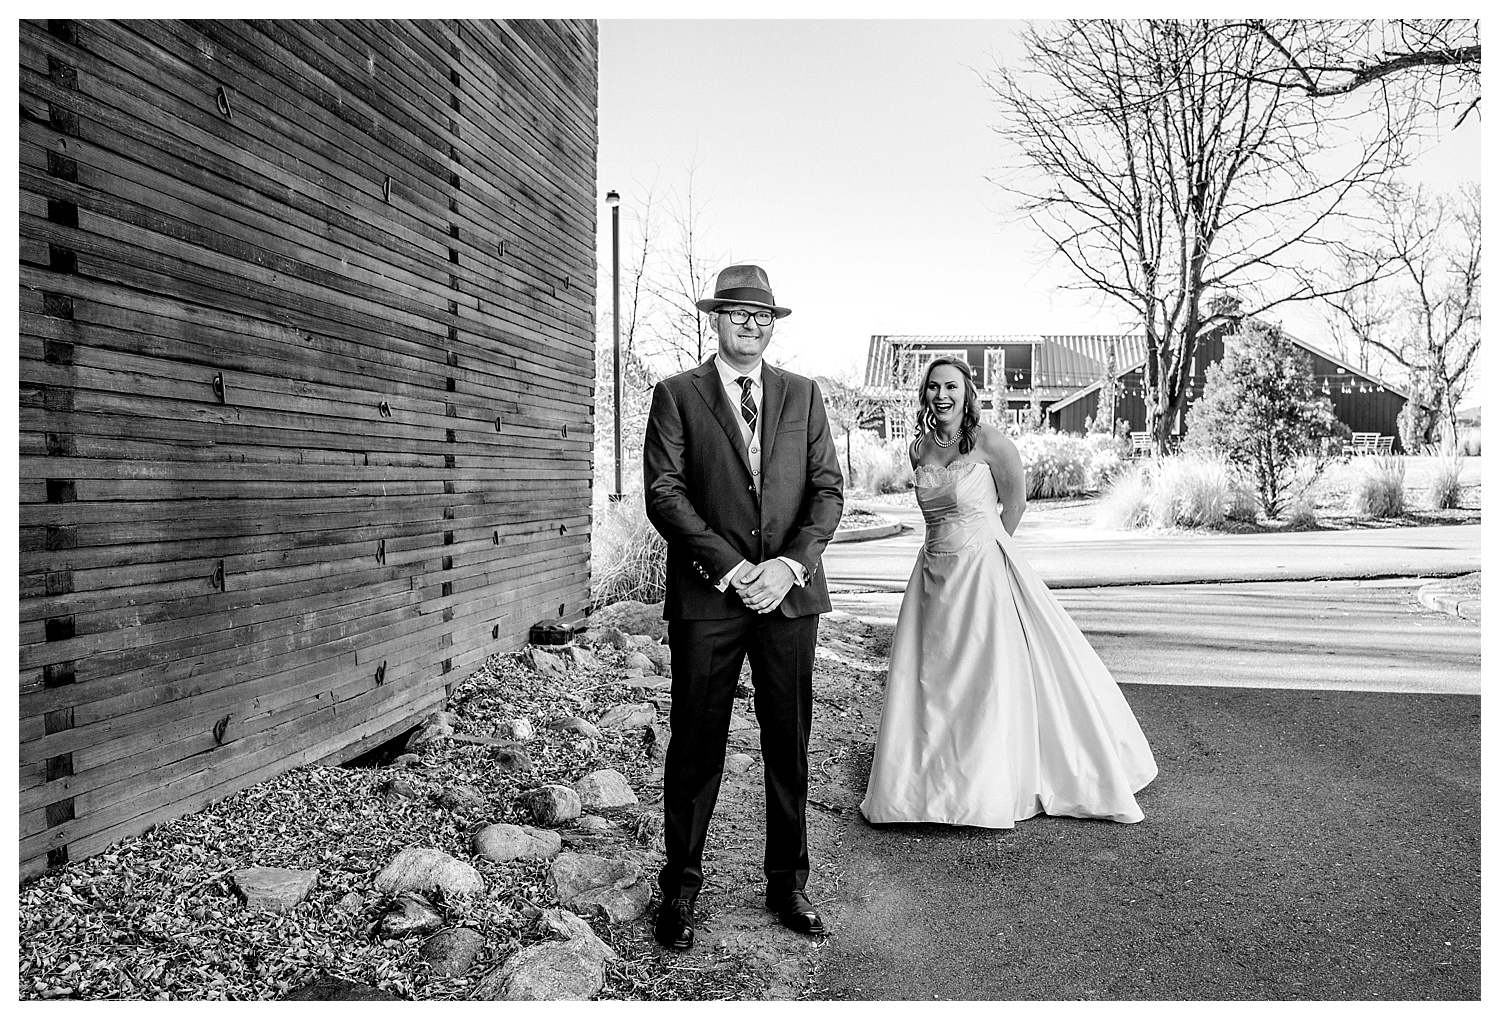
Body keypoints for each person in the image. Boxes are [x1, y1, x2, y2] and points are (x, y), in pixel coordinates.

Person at [860, 356, 1156, 828]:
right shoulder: (918, 450)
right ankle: (929, 781)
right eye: (933, 387)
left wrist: (991, 552)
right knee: (931, 678)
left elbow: (1013, 503)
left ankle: (985, 784)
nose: (942, 395)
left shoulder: (991, 442)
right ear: (925, 395)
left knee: (982, 676)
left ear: (967, 391)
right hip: (932, 573)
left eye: (951, 386)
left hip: (982, 572)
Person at [643, 263, 844, 951]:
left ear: (772, 324)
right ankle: (681, 889)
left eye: (762, 315)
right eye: (737, 313)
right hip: (709, 599)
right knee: (695, 747)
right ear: (716, 318)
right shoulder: (676, 395)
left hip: (790, 599)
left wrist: (788, 567)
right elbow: (665, 495)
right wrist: (733, 569)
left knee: (787, 745)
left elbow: (827, 493)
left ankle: (788, 884)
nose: (751, 323)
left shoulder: (803, 395)